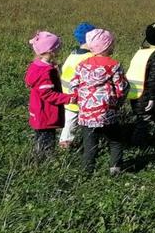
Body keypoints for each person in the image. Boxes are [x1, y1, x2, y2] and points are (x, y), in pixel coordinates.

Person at [72, 28, 129, 176]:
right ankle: (115, 169)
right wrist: (118, 101)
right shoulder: (114, 65)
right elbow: (121, 88)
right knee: (115, 140)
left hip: (86, 113)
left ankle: (86, 172)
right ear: (107, 46)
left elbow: (74, 84)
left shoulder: (82, 64)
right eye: (112, 44)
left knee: (89, 144)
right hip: (107, 112)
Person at [24, 31, 69, 160]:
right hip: (46, 112)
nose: (60, 49)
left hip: (38, 111)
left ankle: (38, 157)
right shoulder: (46, 71)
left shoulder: (36, 66)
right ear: (51, 51)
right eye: (58, 47)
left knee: (40, 137)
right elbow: (48, 94)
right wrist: (68, 98)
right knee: (48, 141)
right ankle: (47, 162)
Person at [127, 22, 155, 142]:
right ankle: (137, 144)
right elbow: (154, 78)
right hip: (148, 96)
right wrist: (153, 97)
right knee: (144, 122)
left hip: (135, 93)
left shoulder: (141, 52)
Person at [58, 21, 95, 149]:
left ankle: (66, 142)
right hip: (77, 97)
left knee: (70, 121)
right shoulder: (89, 57)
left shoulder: (72, 54)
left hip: (66, 94)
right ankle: (65, 144)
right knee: (71, 122)